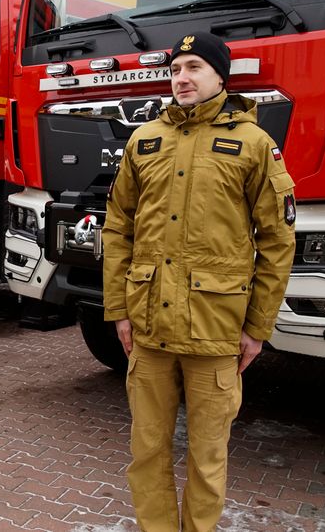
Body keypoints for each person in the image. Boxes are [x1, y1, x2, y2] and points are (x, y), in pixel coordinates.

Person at [103, 31, 295, 531]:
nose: (181, 79)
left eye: (194, 67)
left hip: (215, 331)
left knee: (207, 459)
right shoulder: (144, 140)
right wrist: (119, 310)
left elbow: (277, 240)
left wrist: (258, 327)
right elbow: (118, 228)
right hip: (148, 329)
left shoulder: (254, 144)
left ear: (220, 76)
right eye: (174, 70)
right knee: (147, 452)